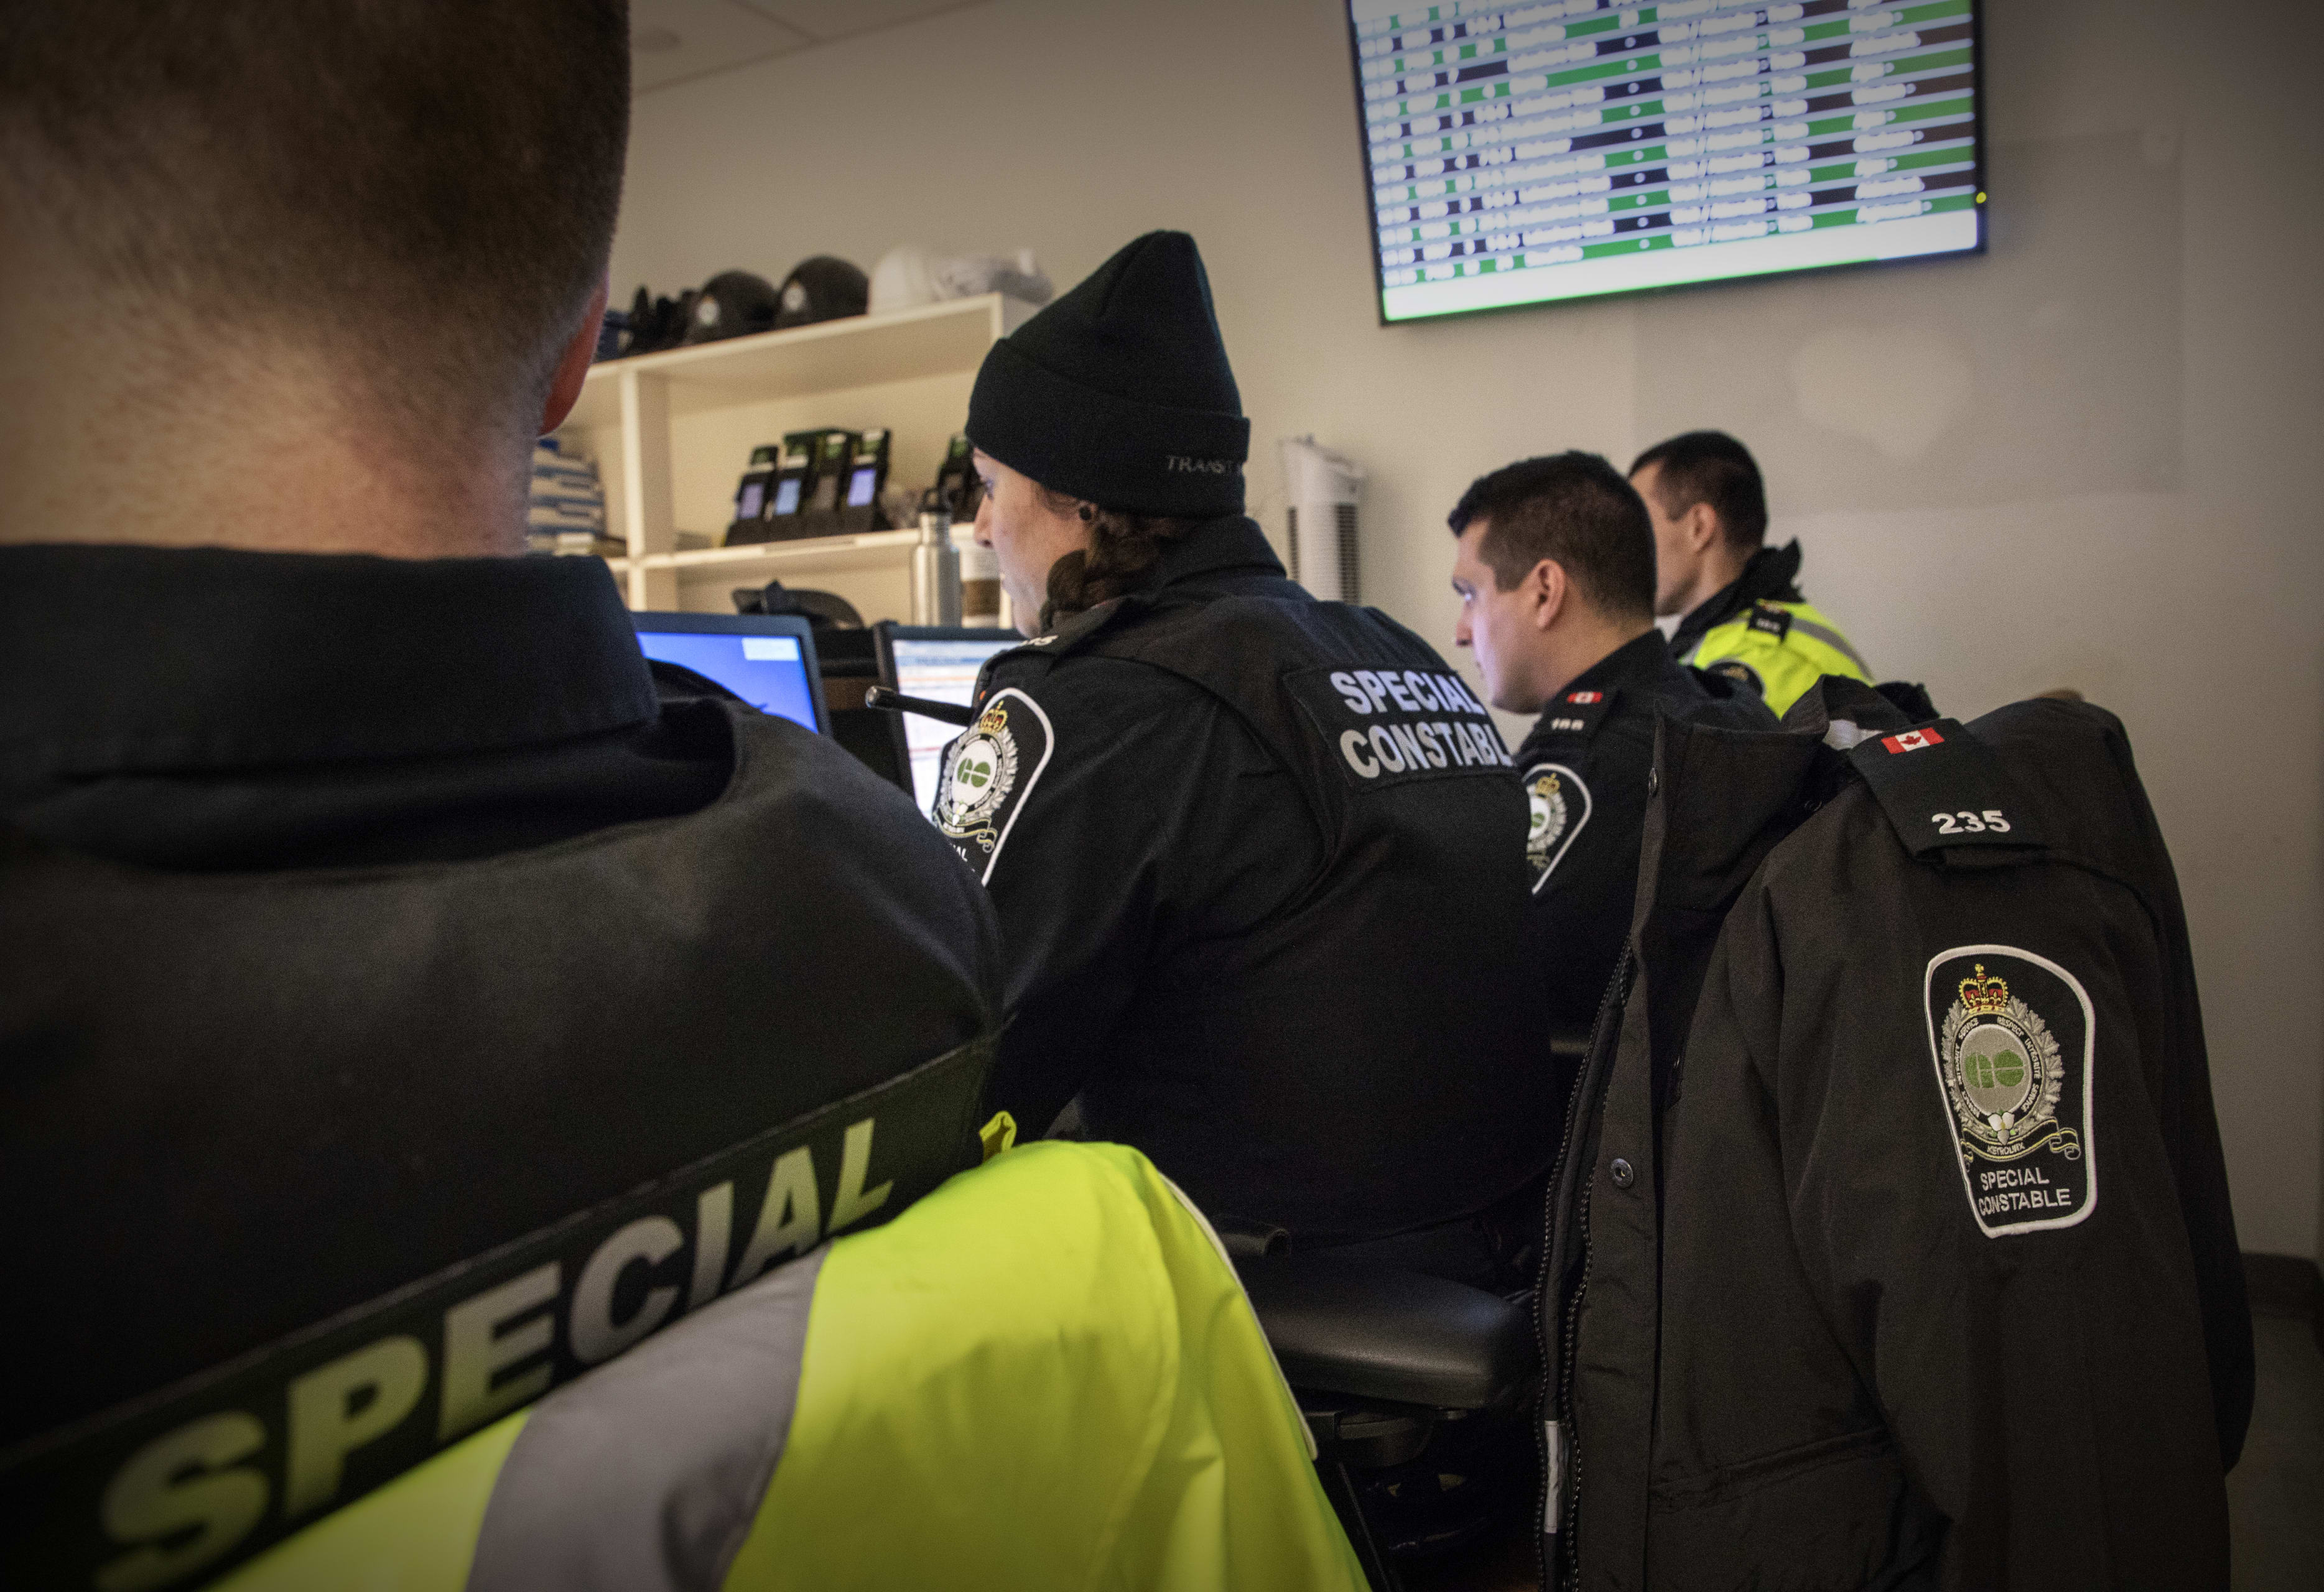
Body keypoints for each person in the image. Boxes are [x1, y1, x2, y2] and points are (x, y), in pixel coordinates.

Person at [0, 10, 1354, 1589]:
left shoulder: (1062, 745)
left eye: (985, 496)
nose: (978, 536)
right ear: (581, 347)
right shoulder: (877, 911)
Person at [1538, 679, 2254, 1589]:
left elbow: (2053, 1466)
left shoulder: (1883, 904)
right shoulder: (1805, 863)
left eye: (1474, 596)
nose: (1464, 625)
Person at [949, 231, 1552, 1289]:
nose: (981, 525)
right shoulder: (1391, 651)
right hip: (1505, 1258)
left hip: (1269, 1296)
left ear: (1083, 503)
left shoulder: (1109, 704)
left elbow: (963, 1057)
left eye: (994, 485)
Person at [1448, 452, 1774, 1035]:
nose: (1462, 630)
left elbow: (1489, 990)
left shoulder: (1582, 766)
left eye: (1470, 593)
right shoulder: (1727, 704)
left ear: (1545, 590)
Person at [1629, 430, 1874, 715]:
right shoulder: (1734, 640)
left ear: (1699, 528)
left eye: (1639, 528)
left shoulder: (1754, 660)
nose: (1626, 551)